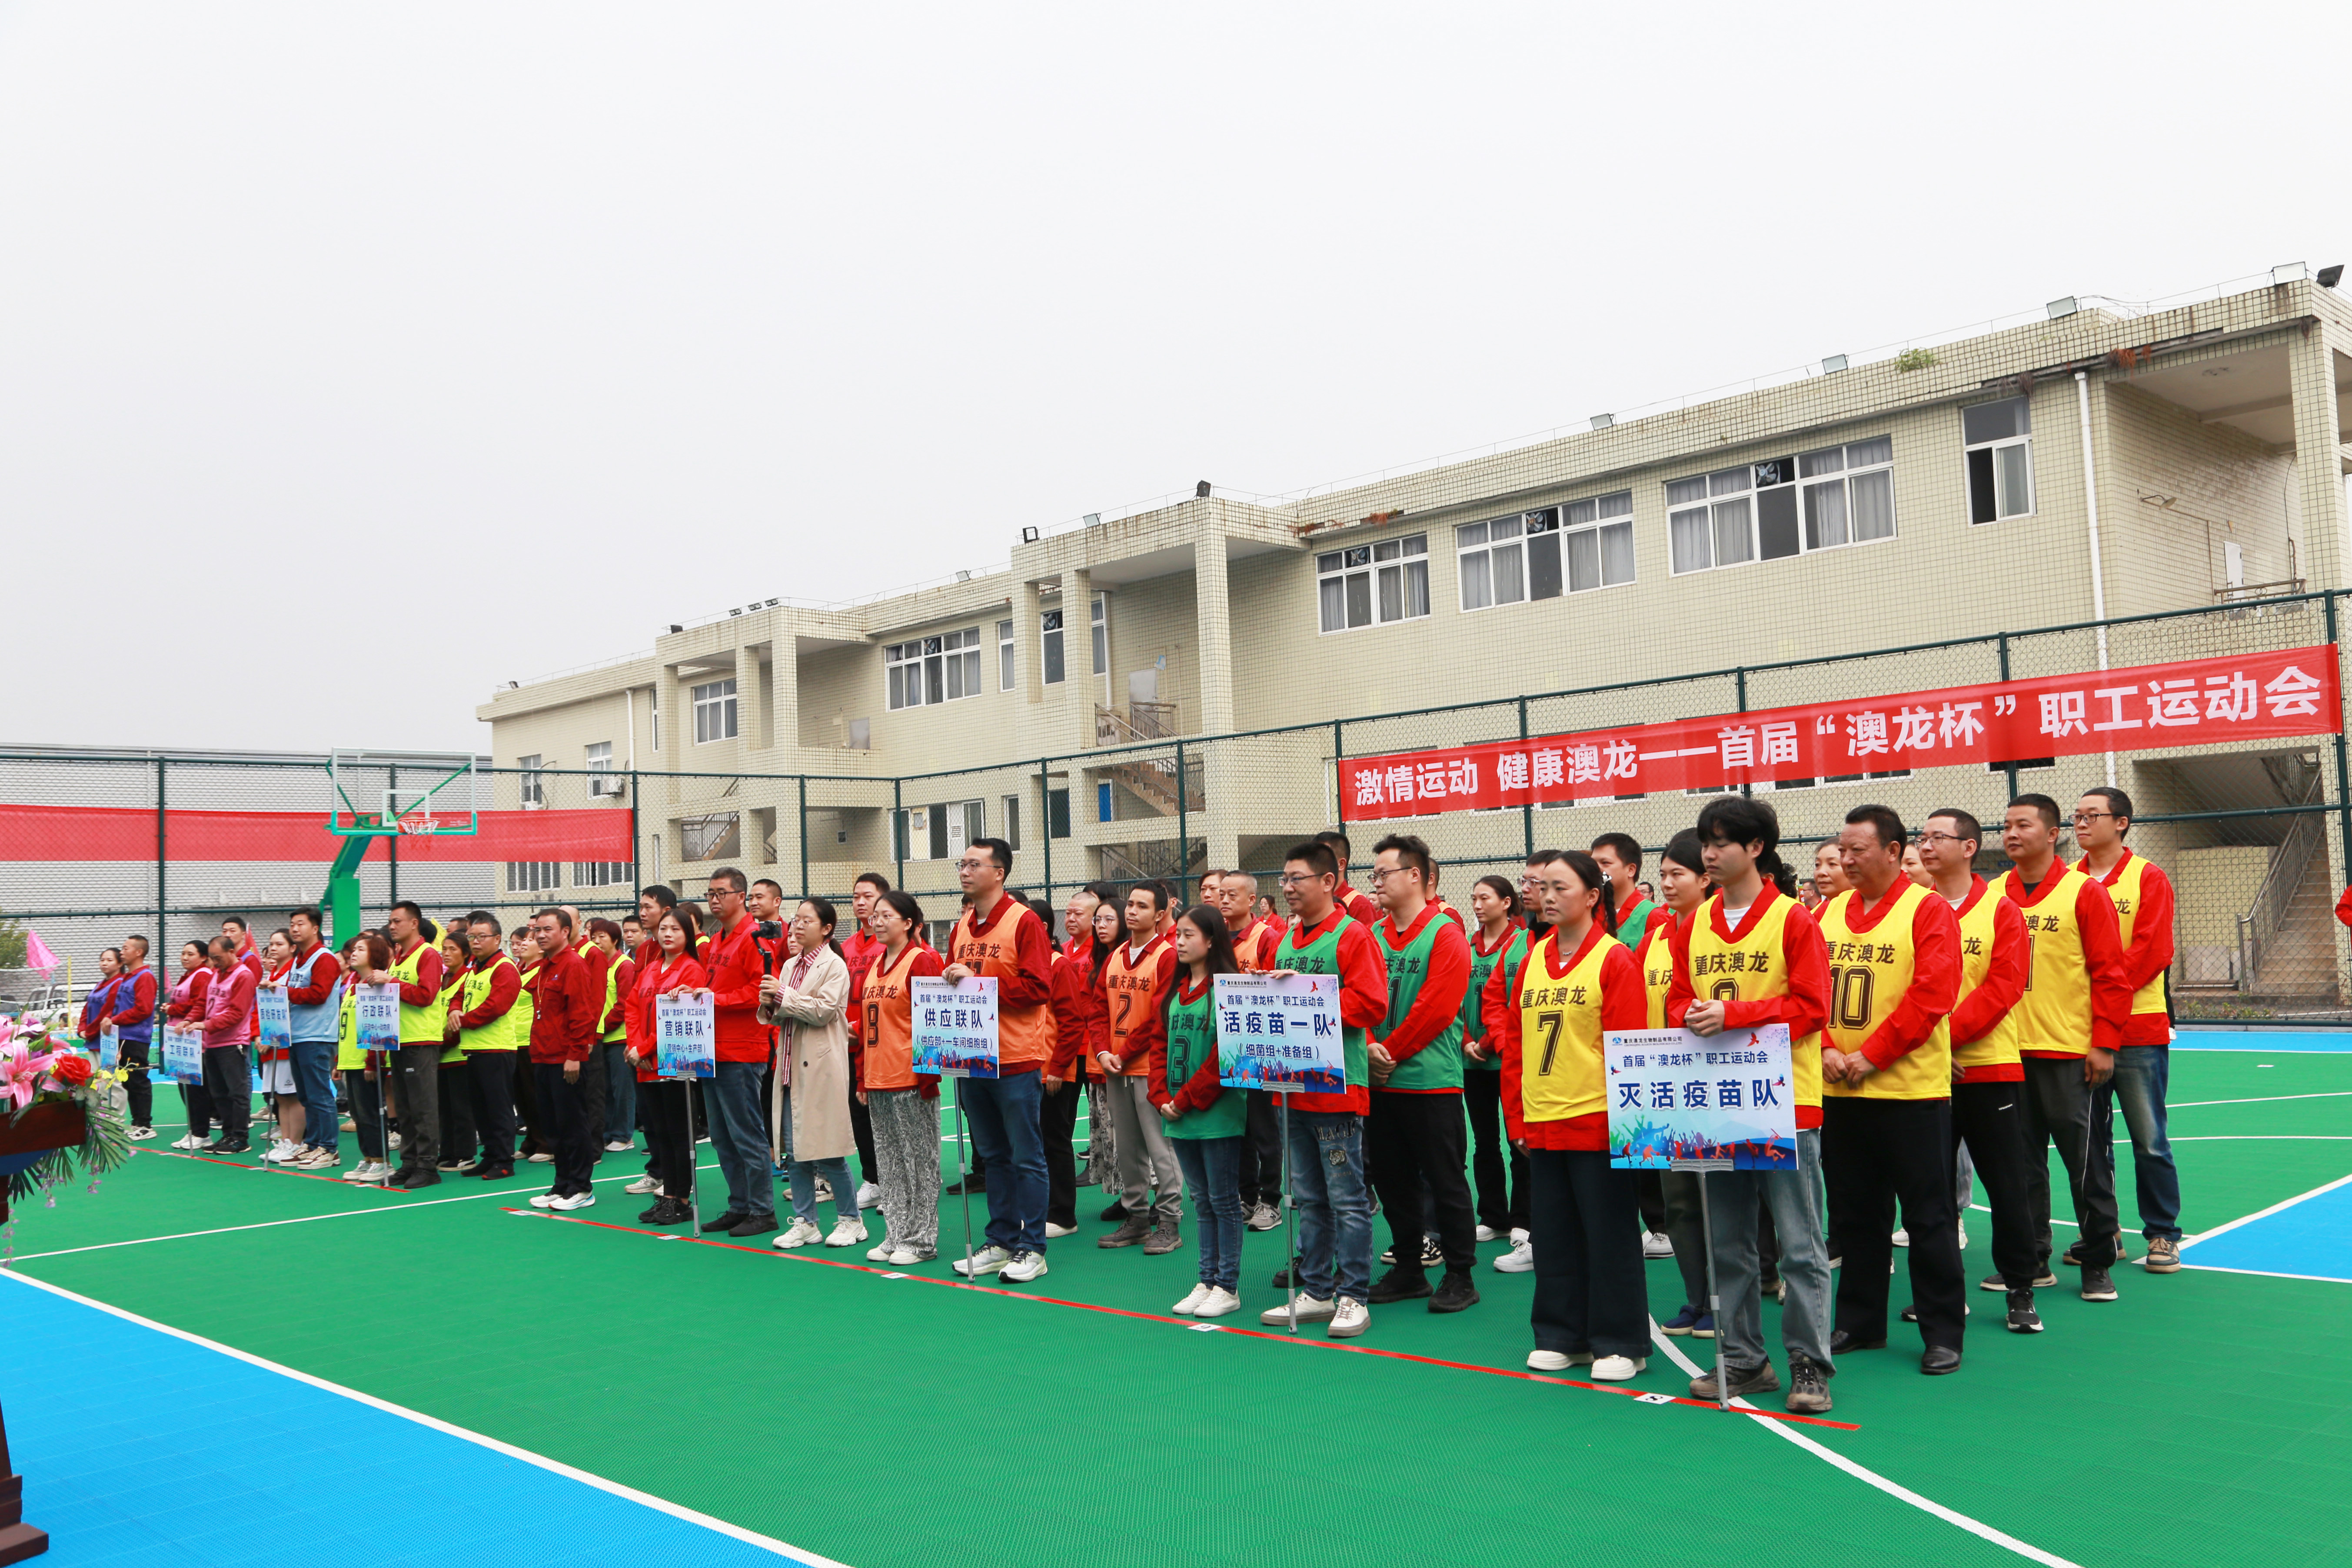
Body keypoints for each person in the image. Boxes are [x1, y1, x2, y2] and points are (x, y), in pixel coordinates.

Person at [1669, 796, 1836, 1415]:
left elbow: (1812, 1007)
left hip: (1784, 1103)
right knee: (1729, 1241)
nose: (1708, 852)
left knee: (1798, 1244)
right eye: (1704, 841)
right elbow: (1678, 999)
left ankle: (1808, 1363)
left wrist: (1733, 1014)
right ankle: (1742, 1357)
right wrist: (1687, 1016)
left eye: (1720, 841)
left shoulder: (1793, 920)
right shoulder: (1693, 923)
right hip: (1718, 1102)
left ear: (1755, 848)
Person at [1817, 805, 1966, 1376]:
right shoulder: (1826, 913)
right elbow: (1806, 987)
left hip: (1910, 1093)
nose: (1845, 860)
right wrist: (1829, 1047)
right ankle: (1858, 1321)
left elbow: (1930, 995)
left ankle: (1940, 1331)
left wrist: (1870, 1054)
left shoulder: (1925, 910)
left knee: (1927, 1218)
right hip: (1841, 1092)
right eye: (1841, 849)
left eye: (1856, 850)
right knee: (1855, 1215)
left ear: (1890, 850)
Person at [1492, 850, 1649, 1379]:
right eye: (1542, 887)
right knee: (1553, 1235)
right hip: (1542, 1121)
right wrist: (1516, 1119)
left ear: (1590, 896)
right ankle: (1562, 1334)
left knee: (1609, 1238)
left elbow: (1629, 1050)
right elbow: (1514, 1045)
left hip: (1597, 1122)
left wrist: (1625, 1130)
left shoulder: (1613, 959)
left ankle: (1620, 1342)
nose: (1548, 896)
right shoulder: (1532, 957)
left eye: (1560, 887)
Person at [1916, 809, 2043, 1333]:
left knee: (2006, 1186)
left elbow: (2004, 987)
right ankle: (1945, 1296)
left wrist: (1945, 1037)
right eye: (1920, 837)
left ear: (1968, 847)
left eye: (1936, 837)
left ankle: (2019, 1290)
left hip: (1987, 1070)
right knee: (1930, 1192)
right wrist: (1925, 1043)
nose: (1924, 846)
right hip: (1922, 1072)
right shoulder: (1913, 909)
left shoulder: (2000, 909)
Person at [1999, 794, 2129, 1303]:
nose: (2011, 833)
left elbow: (2110, 974)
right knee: (2020, 1164)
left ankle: (2096, 1260)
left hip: (2069, 1053)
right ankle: (2033, 1259)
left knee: (2085, 1164)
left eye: (2022, 825)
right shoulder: (1993, 895)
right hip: (2008, 1053)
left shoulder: (2082, 893)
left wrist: (2103, 1044)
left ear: (2052, 833)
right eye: (2006, 825)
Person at [1258, 839, 1388, 1338]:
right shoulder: (1286, 938)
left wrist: (1307, 997)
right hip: (1290, 1087)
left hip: (1337, 1088)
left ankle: (1354, 1294)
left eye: (1297, 879)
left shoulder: (1352, 935)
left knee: (1347, 1198)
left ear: (1328, 881)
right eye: (1284, 880)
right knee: (1307, 1196)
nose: (1287, 888)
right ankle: (1315, 1289)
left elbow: (1370, 1004)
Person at [1363, 832, 1479, 1313]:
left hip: (1430, 1079)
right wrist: (1369, 1046)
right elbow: (1359, 997)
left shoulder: (1444, 932)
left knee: (1444, 1178)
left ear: (1415, 875)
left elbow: (1436, 1008)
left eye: (1382, 874)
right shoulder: (1372, 935)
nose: (1375, 884)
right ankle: (1408, 1266)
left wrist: (1384, 1053)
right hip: (1380, 1079)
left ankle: (1459, 1273)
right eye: (1372, 876)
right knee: (1391, 1179)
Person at [2074, 786, 2183, 1274]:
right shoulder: (2067, 881)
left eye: (2090, 815)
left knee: (2149, 1139)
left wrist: (2107, 1003)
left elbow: (2152, 952)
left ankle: (2161, 1234)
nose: (2080, 824)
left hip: (2135, 1029)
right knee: (2089, 1143)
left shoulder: (2146, 878)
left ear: (2120, 822)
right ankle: (2104, 1234)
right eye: (2075, 816)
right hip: (2076, 1031)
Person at [941, 837, 1057, 1282]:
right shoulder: (963, 924)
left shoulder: (1023, 922)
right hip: (973, 1059)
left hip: (1014, 1057)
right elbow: (957, 982)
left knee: (1027, 1155)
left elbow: (1037, 986)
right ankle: (1001, 1239)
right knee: (992, 1155)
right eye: (962, 864)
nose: (965, 871)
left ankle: (1033, 1248)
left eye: (974, 864)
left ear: (999, 872)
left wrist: (978, 980)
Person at [1154, 904, 1249, 1318]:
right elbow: (1158, 1048)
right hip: (1177, 1113)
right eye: (1177, 934)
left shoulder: (1226, 990)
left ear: (1211, 940)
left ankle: (1227, 1285)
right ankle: (1206, 1278)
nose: (1179, 941)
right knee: (1202, 1201)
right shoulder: (1174, 993)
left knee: (1224, 1201)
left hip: (1215, 1114)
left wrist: (1186, 1098)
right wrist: (1160, 1095)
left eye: (1188, 934)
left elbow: (1223, 1057)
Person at [762, 898, 866, 1249]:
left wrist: (782, 996)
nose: (797, 926)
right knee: (795, 1150)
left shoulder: (834, 965)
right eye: (796, 920)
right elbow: (784, 1012)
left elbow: (823, 1011)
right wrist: (771, 1002)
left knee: (828, 1149)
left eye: (807, 920)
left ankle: (851, 1219)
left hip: (820, 1066)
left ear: (826, 929)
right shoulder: (791, 964)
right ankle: (806, 1221)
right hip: (791, 1065)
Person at [855, 891, 944, 1262]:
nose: (877, 921)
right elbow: (867, 1028)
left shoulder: (921, 961)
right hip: (878, 1079)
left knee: (919, 1162)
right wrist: (862, 1078)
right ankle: (896, 1233)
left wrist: (928, 1078)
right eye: (875, 915)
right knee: (889, 1163)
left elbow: (932, 1022)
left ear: (908, 923)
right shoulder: (875, 964)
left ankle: (921, 1239)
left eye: (886, 915)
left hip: (909, 1079)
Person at [1098, 881, 1184, 1253]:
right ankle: (1136, 1217)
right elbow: (1098, 1009)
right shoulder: (1116, 954)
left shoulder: (1166, 955)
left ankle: (1168, 1222)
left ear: (1160, 914)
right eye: (1129, 904)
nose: (1131, 911)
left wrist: (1126, 1052)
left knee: (1160, 1148)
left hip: (1149, 1066)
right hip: (1116, 1066)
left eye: (1142, 906)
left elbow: (1160, 1015)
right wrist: (1103, 1051)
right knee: (1128, 1147)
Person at [694, 868, 780, 1238]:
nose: (714, 899)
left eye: (722, 893)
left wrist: (715, 1000)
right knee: (721, 1136)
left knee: (746, 1134)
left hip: (742, 1051)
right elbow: (715, 986)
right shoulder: (717, 939)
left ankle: (763, 1210)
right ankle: (739, 1205)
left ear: (740, 896)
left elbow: (761, 992)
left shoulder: (755, 937)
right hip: (713, 1050)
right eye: (710, 893)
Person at [1211, 870, 1286, 1230]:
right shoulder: (1214, 938)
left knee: (1263, 1126)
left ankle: (1271, 1199)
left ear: (1252, 900)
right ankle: (1246, 1194)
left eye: (1231, 894)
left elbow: (1278, 989)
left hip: (1259, 1047)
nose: (1224, 900)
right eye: (1220, 894)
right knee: (1236, 1125)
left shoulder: (1266, 937)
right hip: (1226, 1047)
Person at [625, 905, 707, 1225]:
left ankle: (681, 1198)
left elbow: (681, 1017)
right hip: (645, 1063)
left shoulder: (691, 970)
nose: (668, 934)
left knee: (678, 1133)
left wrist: (644, 1046)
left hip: (677, 1063)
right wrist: (635, 1046)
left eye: (676, 929)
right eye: (664, 928)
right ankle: (667, 1196)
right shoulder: (650, 968)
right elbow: (633, 1006)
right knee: (658, 1131)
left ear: (688, 934)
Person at [1461, 874, 1529, 1251]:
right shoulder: (1465, 946)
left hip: (1506, 1057)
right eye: (1473, 898)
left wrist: (1487, 1043)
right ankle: (1493, 1217)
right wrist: (1467, 1040)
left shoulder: (1521, 945)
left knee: (1518, 1140)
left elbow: (1512, 1004)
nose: (1477, 904)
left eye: (1485, 897)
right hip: (1472, 1060)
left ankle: (1523, 1219)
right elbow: (1452, 1000)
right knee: (1484, 1142)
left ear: (1506, 902)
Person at [524, 907, 599, 1211]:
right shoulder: (544, 967)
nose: (540, 935)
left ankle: (581, 1187)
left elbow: (583, 1013)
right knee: (553, 1125)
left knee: (572, 1124)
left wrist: (575, 1055)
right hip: (542, 1055)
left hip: (564, 1059)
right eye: (537, 930)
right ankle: (562, 1184)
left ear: (565, 932)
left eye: (547, 930)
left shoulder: (573, 965)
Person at [447, 912, 524, 1181]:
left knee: (499, 1109)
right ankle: (490, 1156)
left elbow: (497, 1006)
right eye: (472, 937)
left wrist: (463, 1021)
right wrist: (455, 1012)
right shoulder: (474, 968)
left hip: (497, 1049)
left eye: (482, 937)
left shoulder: (504, 968)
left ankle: (504, 1161)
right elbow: (458, 995)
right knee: (481, 1109)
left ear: (497, 939)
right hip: (475, 1049)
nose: (476, 942)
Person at [381, 902, 447, 1188]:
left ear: (414, 924)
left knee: (423, 1106)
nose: (392, 926)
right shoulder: (399, 958)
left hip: (421, 1040)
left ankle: (427, 1165)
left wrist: (391, 982)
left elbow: (426, 995)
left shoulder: (427, 954)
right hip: (400, 1040)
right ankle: (409, 1162)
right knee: (406, 1107)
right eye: (390, 921)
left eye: (397, 921)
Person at [1039, 895, 1094, 1238]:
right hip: (1027, 1066)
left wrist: (1058, 1067)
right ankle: (1040, 1208)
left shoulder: (1058, 965)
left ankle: (1062, 1215)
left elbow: (1072, 1023)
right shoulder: (1024, 963)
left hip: (1055, 1068)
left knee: (1054, 1138)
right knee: (1033, 1142)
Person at [841, 871, 893, 1212]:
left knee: (888, 1116)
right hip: (848, 1041)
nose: (861, 902)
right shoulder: (846, 946)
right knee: (858, 1114)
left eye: (868, 895)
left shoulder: (893, 943)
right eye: (856, 896)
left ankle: (894, 1182)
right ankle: (873, 1179)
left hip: (882, 1042)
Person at [279, 908, 343, 1169]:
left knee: (319, 1094)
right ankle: (314, 1142)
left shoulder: (323, 959)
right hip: (298, 1035)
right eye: (292, 925)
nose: (295, 929)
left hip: (316, 1036)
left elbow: (319, 994)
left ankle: (329, 1148)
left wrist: (285, 993)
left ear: (315, 928)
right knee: (306, 1096)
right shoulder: (298, 960)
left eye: (300, 924)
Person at [337, 934, 396, 1184]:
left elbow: (382, 1026)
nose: (353, 953)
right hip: (350, 1059)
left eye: (361, 949)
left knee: (371, 1112)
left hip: (367, 1061)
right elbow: (346, 1026)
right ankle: (369, 1158)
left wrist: (375, 1061)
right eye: (353, 949)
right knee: (358, 1114)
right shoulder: (353, 986)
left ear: (374, 955)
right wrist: (339, 1062)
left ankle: (383, 1161)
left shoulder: (378, 985)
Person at [197, 932, 258, 1155]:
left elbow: (237, 1012)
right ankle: (228, 1134)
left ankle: (240, 1137)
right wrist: (190, 1020)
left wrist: (206, 1025)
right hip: (212, 1043)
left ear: (232, 952)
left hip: (233, 1043)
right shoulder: (216, 973)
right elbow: (203, 1003)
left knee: (237, 1092)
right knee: (219, 1093)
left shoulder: (244, 976)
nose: (214, 962)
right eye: (212, 958)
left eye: (218, 958)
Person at [586, 919, 637, 1156]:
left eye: (602, 937)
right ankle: (606, 1132)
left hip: (619, 1037)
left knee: (622, 1087)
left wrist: (599, 1026)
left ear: (615, 940)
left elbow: (624, 1004)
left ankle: (623, 1135)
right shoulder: (595, 964)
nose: (596, 941)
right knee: (603, 1088)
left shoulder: (624, 965)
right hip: (600, 1038)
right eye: (593, 937)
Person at [432, 923, 480, 1173]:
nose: (446, 953)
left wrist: (443, 1042)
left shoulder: (467, 978)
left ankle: (465, 1153)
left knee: (461, 1107)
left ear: (465, 953)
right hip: (440, 1054)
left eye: (453, 949)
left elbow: (460, 1018)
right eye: (444, 949)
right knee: (445, 1108)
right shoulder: (443, 979)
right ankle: (448, 1151)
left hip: (458, 1053)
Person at [105, 935, 160, 1140]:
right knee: (129, 1080)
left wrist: (115, 1020)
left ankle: (145, 1125)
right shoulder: (129, 977)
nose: (122, 952)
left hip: (135, 1037)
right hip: (123, 1035)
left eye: (126, 948)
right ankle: (138, 1123)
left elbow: (143, 1010)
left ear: (139, 952)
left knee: (138, 1079)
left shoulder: (144, 977)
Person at [1590, 833, 1667, 947]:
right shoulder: (1589, 913)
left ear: (1631, 870)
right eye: (1593, 863)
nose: (1596, 869)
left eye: (1605, 863)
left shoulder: (1654, 917)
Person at [1317, 829, 1381, 927]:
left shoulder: (1359, 905)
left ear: (1341, 864)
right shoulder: (1311, 901)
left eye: (1321, 858)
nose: (1313, 865)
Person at [1812, 841, 1849, 906]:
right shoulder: (1813, 915)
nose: (1821, 872)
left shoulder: (1869, 910)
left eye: (1832, 864)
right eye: (1817, 865)